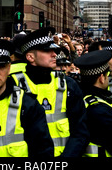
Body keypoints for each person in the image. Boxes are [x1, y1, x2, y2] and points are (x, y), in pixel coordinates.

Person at [11, 28, 89, 157]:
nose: (54, 54)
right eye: (47, 51)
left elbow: (80, 131)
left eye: (55, 50)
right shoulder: (13, 85)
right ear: (30, 57)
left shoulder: (68, 85)